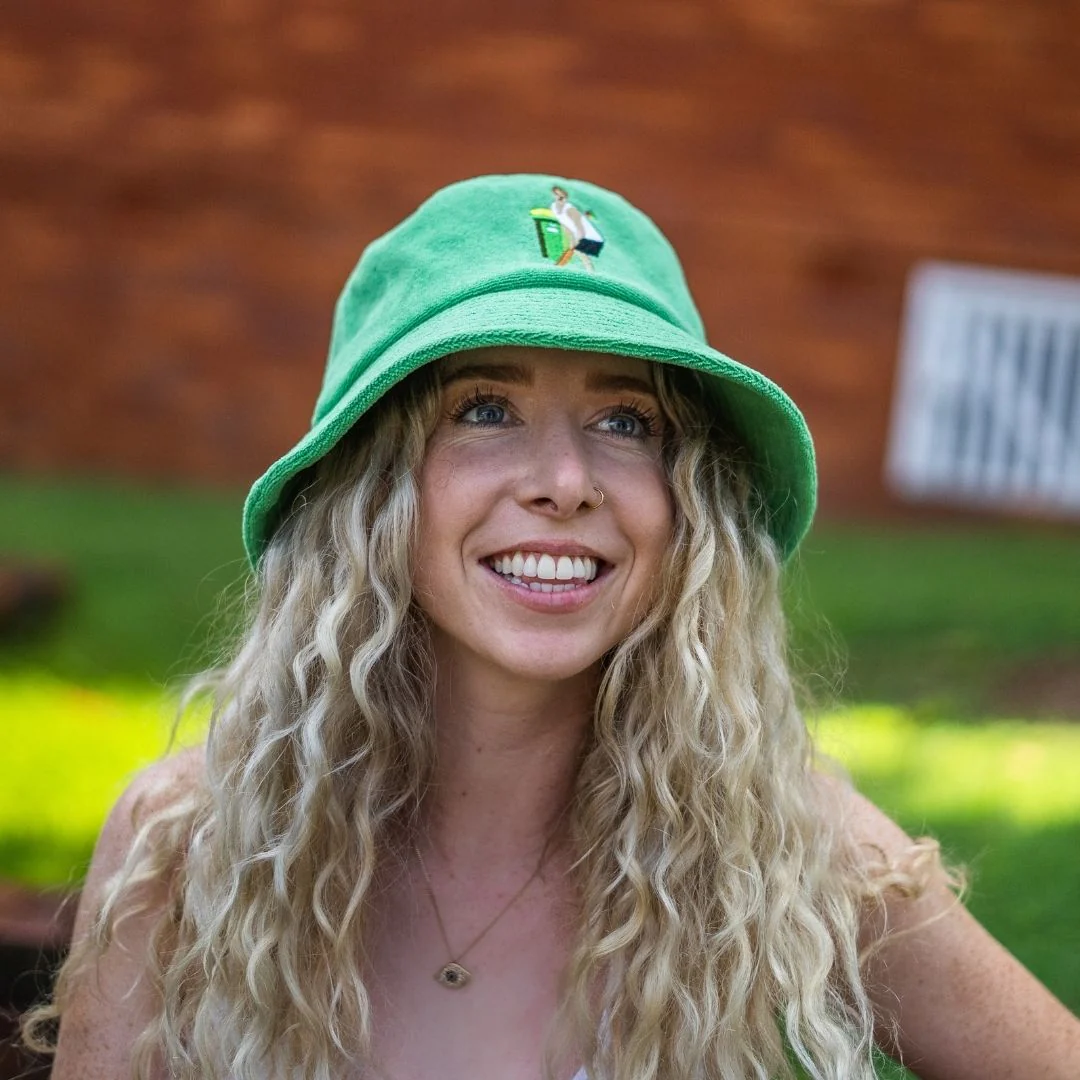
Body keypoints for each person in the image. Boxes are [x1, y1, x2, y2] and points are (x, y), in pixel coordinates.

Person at [25, 175, 1080, 1080]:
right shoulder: (191, 841)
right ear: (371, 488)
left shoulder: (780, 844)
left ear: (690, 501)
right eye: (485, 409)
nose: (567, 483)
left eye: (627, 423)